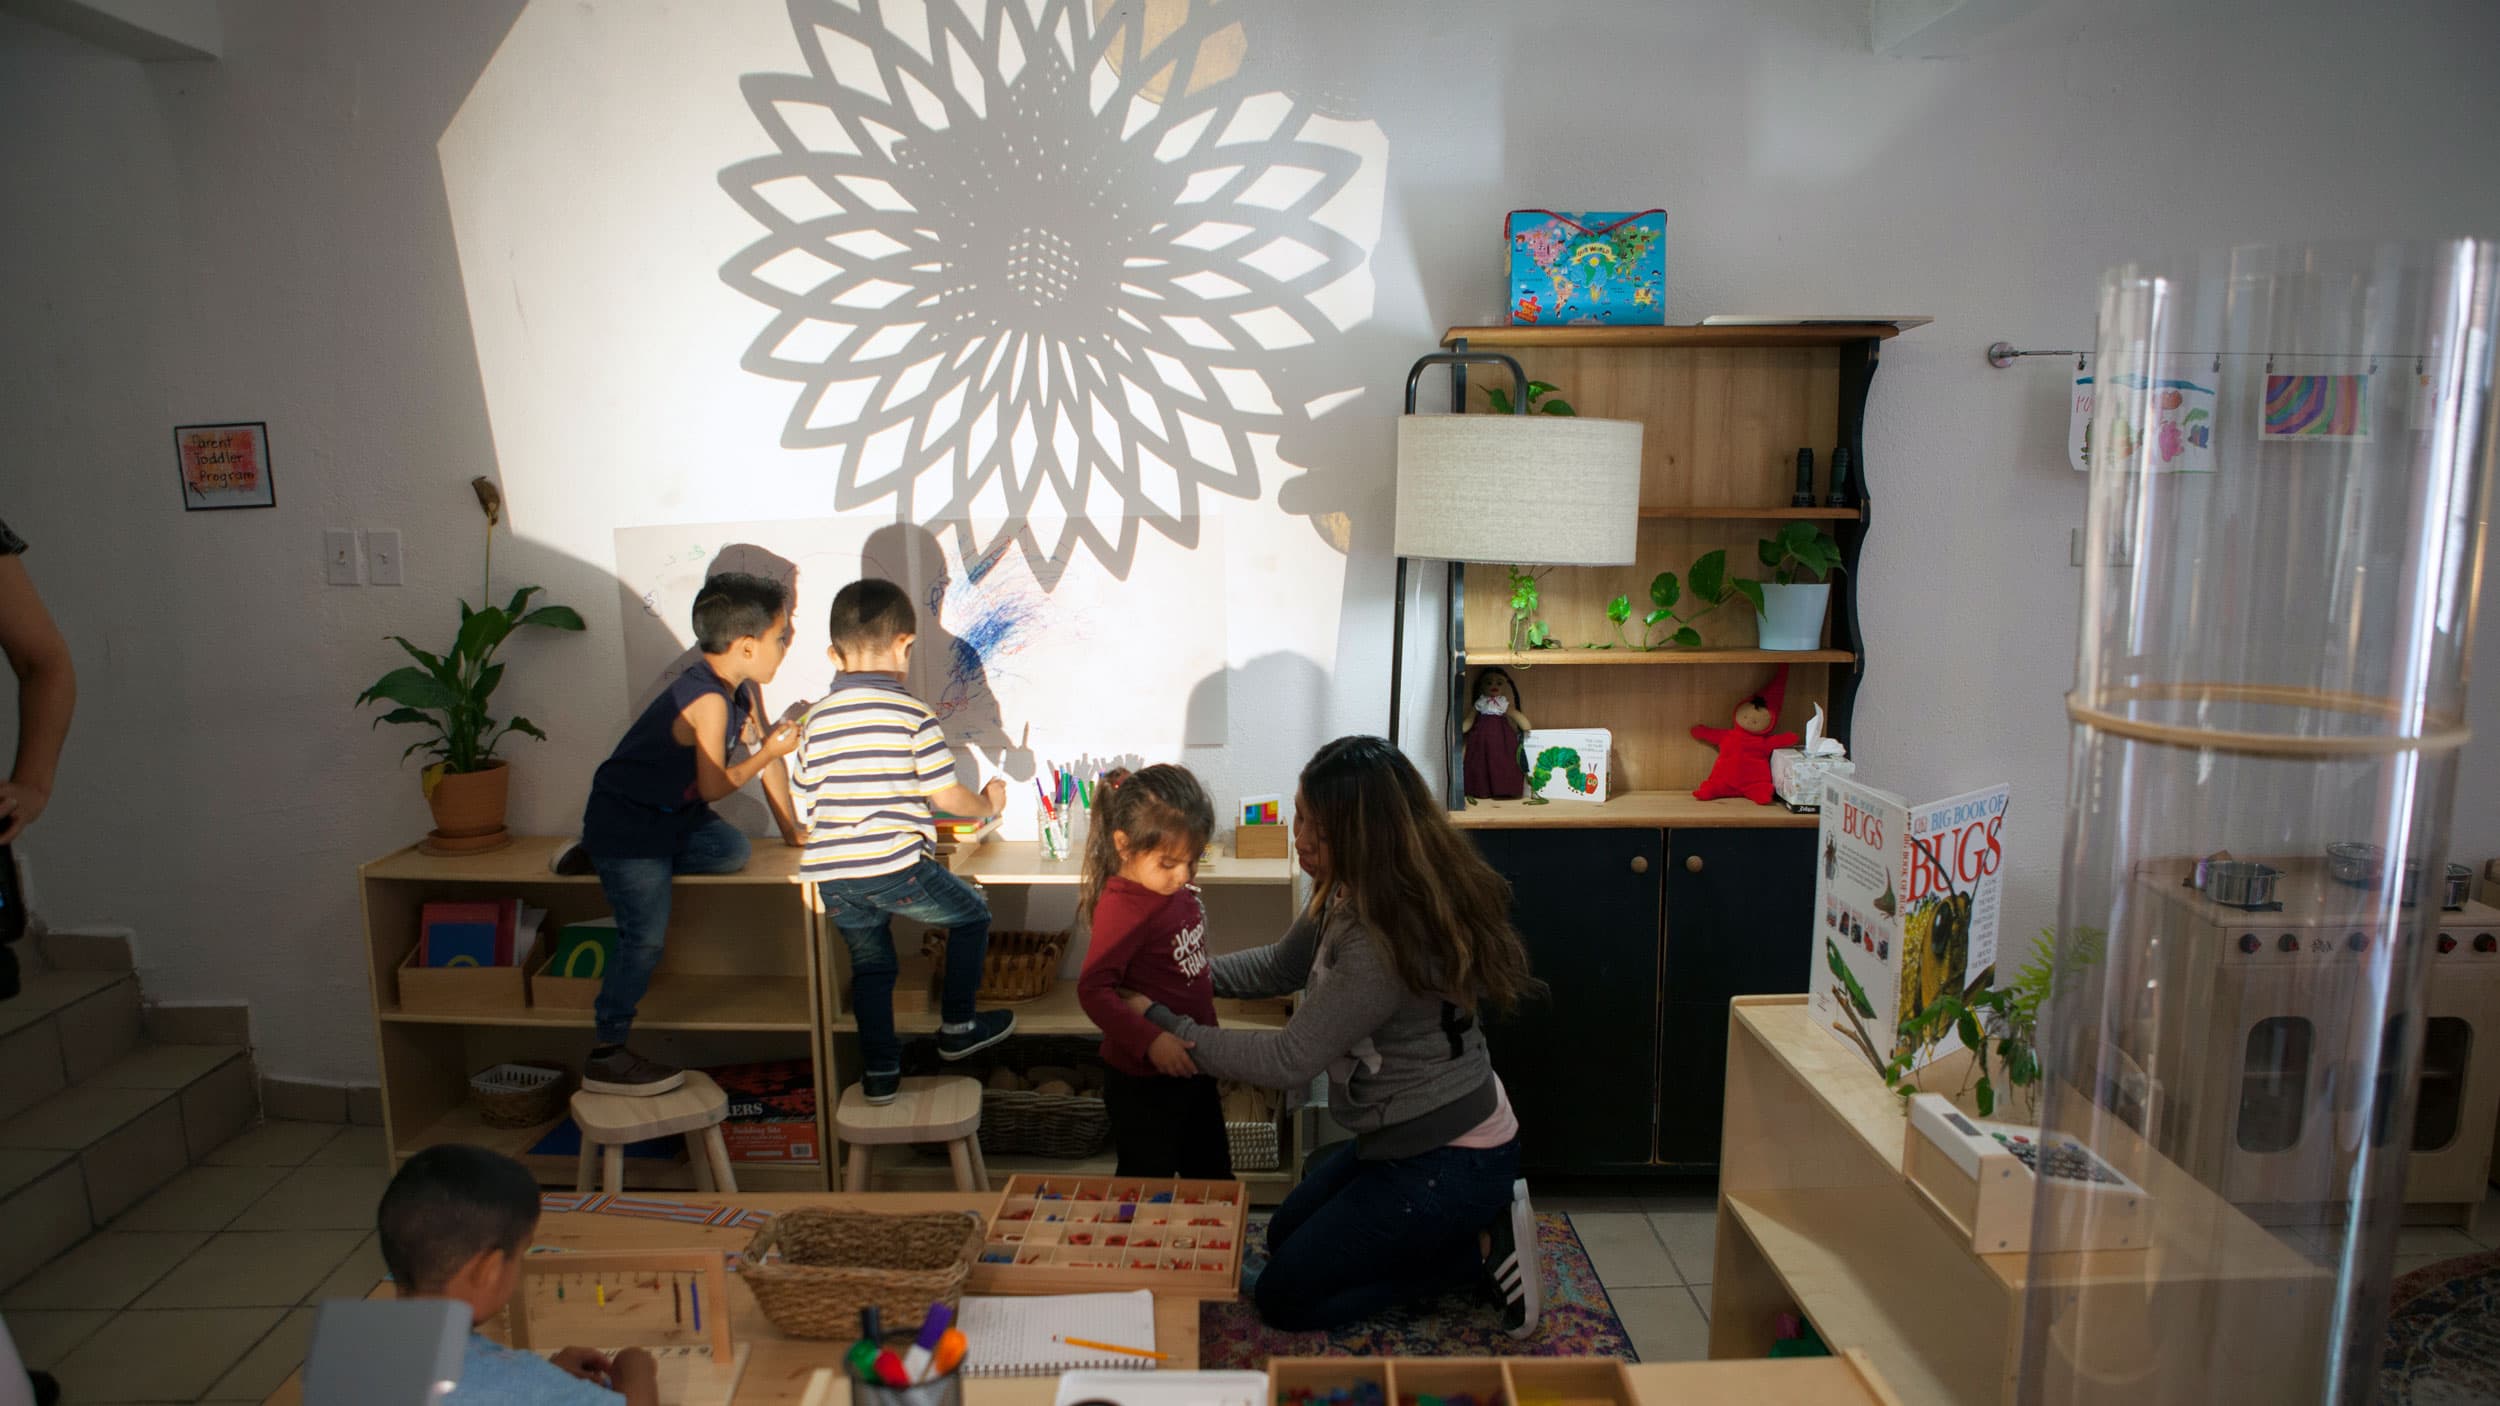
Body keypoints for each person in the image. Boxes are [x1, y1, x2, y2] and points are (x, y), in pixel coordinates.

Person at [1127, 736, 1545, 1336]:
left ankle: (1471, 1253)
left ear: (1361, 833)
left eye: (1314, 826)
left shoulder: (1381, 937)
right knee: (1283, 1232)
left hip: (1449, 1158)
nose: (1299, 836)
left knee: (1284, 1298)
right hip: (1403, 1139)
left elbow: (1289, 1058)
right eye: (1299, 816)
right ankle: (1449, 1231)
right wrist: (1181, 977)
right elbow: (1280, 965)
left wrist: (1170, 1025)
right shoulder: (1349, 888)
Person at [570, 572, 804, 1095]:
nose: (787, 646)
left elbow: (766, 757)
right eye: (781, 636)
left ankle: (609, 862)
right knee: (645, 936)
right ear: (747, 646)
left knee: (732, 850)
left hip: (673, 816)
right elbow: (717, 785)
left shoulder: (737, 688)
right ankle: (607, 1049)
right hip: (627, 821)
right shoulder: (709, 700)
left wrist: (791, 831)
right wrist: (768, 752)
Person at [794, 579, 1012, 1104]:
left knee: (872, 967)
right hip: (893, 865)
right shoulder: (912, 714)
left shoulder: (815, 719)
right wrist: (989, 804)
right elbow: (945, 797)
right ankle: (958, 1030)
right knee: (973, 915)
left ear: (833, 653)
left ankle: (880, 1076)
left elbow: (805, 789)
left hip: (835, 876)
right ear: (905, 647)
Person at [378, 1144, 656, 1406]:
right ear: (490, 1271)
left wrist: (547, 1376)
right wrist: (635, 1370)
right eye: (521, 1255)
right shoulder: (523, 1385)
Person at [1076, 764, 1231, 1179]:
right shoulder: (1123, 908)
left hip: (1192, 1064)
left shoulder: (1172, 889)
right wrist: (1151, 1042)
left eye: (1193, 860)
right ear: (1124, 846)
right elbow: (1094, 991)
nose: (1184, 876)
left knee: (1213, 1175)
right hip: (1143, 1080)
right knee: (1146, 1186)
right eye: (1169, 863)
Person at [1461, 667, 1530, 800]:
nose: (1493, 686)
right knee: (1481, 763)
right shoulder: (1480, 703)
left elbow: (1515, 715)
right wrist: (1462, 728)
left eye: (1499, 683)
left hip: (1502, 740)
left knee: (1502, 763)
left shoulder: (1503, 704)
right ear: (1481, 685)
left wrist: (1524, 724)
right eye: (1488, 683)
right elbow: (1469, 720)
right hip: (1481, 740)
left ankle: (1503, 789)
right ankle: (1481, 789)